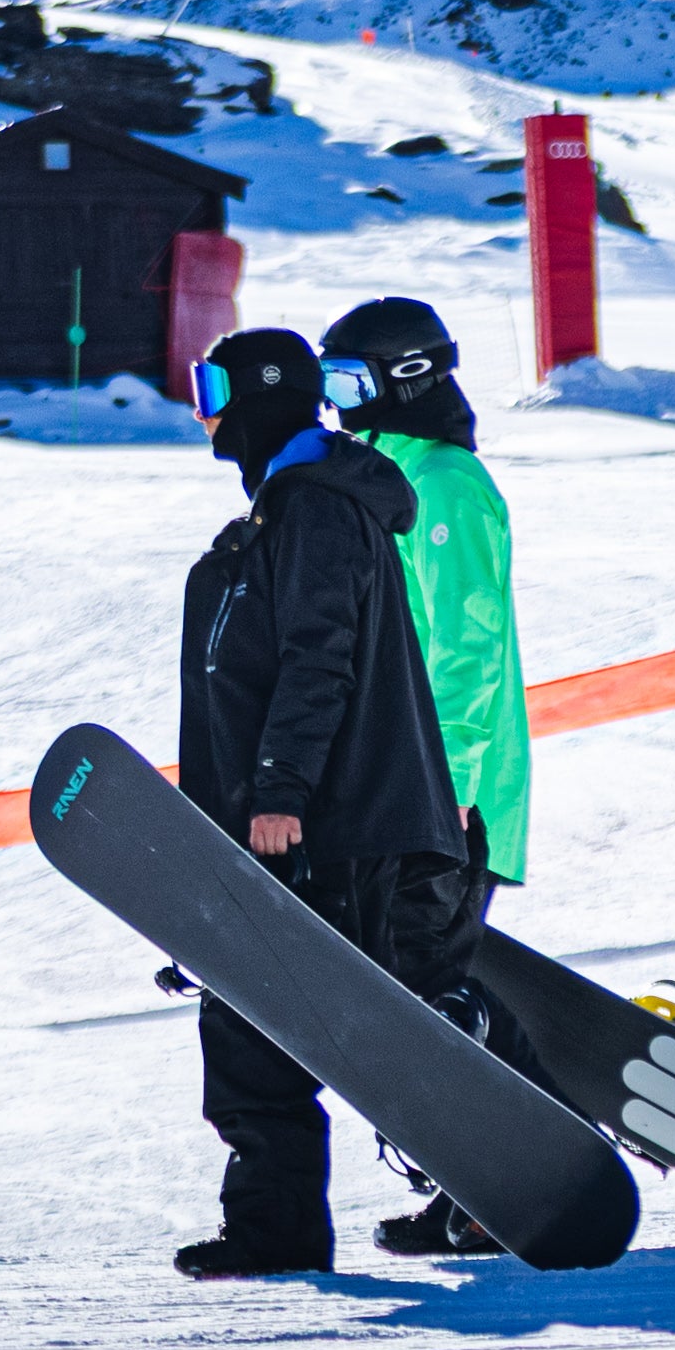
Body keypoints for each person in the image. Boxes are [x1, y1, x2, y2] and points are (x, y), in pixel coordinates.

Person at [171, 328, 478, 1278]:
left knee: (339, 1023)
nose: (204, 413)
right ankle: (276, 1229)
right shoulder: (283, 514)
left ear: (260, 396)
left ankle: (488, 1171)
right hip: (311, 825)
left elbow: (320, 658)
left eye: (212, 389)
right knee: (251, 1020)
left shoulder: (314, 510)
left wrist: (280, 793)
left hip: (338, 827)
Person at [318, 297, 539, 1258]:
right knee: (409, 991)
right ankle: (473, 1180)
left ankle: (504, 1180)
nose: (335, 403)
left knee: (423, 992)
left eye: (347, 381)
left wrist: (443, 780)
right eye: (326, 382)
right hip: (399, 786)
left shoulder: (447, 485)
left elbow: (468, 647)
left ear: (405, 377)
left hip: (451, 794)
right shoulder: (384, 475)